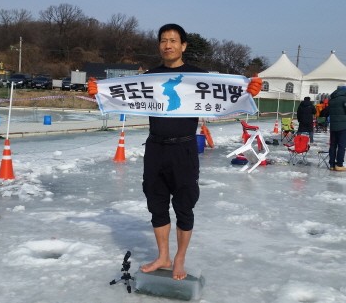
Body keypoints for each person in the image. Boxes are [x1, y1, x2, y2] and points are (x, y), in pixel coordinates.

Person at [88, 23, 262, 280]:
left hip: (184, 148)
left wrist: (248, 91)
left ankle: (179, 258)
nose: (167, 45)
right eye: (163, 41)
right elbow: (121, 96)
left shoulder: (199, 77)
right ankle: (163, 256)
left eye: (173, 40)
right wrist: (99, 93)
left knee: (184, 206)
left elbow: (228, 95)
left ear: (183, 46)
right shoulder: (149, 77)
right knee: (156, 204)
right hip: (156, 147)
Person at [326, 85, 346, 171]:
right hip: (343, 126)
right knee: (342, 145)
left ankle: (332, 165)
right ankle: (339, 164)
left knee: (333, 145)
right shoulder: (345, 99)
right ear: (345, 91)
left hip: (333, 126)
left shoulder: (331, 100)